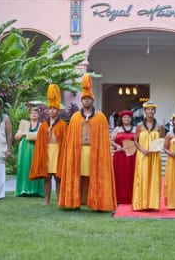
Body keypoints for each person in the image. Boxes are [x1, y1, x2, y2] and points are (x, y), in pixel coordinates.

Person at [58, 73, 116, 211]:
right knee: (77, 176)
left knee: (95, 176)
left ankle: (97, 203)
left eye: (89, 99)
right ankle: (75, 202)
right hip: (78, 151)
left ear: (93, 100)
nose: (86, 101)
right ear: (81, 101)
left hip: (95, 151)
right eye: (84, 99)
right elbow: (70, 138)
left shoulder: (100, 117)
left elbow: (104, 139)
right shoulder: (75, 117)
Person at [29, 84, 68, 205]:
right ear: (48, 110)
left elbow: (66, 140)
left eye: (54, 109)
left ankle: (59, 199)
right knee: (47, 177)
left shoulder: (62, 124)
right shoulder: (44, 125)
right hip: (47, 151)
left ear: (58, 110)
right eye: (50, 108)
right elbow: (40, 141)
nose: (52, 111)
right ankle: (47, 200)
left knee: (58, 177)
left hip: (58, 151)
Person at [131, 100, 164, 211]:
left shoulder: (159, 126)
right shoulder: (139, 126)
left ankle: (153, 204)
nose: (150, 111)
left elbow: (162, 141)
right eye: (148, 109)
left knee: (154, 178)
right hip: (143, 155)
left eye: (152, 109)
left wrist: (157, 148)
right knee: (142, 177)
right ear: (144, 111)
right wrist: (142, 150)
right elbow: (135, 141)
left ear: (155, 111)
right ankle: (141, 204)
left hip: (155, 156)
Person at [14, 107, 44, 197]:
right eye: (32, 113)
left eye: (36, 113)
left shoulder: (42, 125)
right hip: (25, 148)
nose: (34, 114)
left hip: (37, 147)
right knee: (25, 167)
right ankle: (23, 189)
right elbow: (16, 137)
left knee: (37, 166)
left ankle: (37, 190)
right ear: (29, 115)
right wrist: (24, 133)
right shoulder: (25, 124)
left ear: (39, 115)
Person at [111, 110, 137, 205]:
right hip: (120, 156)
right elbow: (111, 140)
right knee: (119, 176)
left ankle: (132, 197)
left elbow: (138, 142)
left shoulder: (135, 129)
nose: (126, 119)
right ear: (121, 119)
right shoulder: (117, 129)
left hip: (132, 156)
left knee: (132, 175)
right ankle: (119, 197)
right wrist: (117, 146)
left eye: (128, 117)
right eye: (124, 117)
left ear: (131, 119)